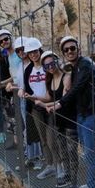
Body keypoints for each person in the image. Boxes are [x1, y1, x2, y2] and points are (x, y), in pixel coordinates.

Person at [48, 35, 95, 188]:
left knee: (89, 152)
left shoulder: (86, 64)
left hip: (90, 115)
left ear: (78, 49)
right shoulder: (75, 68)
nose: (69, 51)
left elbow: (77, 88)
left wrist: (61, 103)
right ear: (63, 53)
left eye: (72, 48)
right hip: (83, 115)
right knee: (88, 150)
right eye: (66, 50)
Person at [36, 51, 79, 188]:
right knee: (63, 149)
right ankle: (67, 175)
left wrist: (45, 105)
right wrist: (32, 97)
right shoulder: (49, 80)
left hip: (69, 118)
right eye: (46, 66)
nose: (50, 67)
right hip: (58, 119)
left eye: (52, 63)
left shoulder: (67, 77)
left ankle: (74, 180)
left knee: (72, 150)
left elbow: (64, 100)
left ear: (57, 61)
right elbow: (49, 97)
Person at [20, 39, 57, 179]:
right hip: (36, 108)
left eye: (35, 51)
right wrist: (23, 91)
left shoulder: (47, 66)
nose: (33, 54)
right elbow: (27, 86)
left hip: (50, 106)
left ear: (39, 50)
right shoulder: (28, 69)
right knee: (43, 138)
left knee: (52, 138)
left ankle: (59, 165)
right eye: (30, 52)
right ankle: (50, 165)